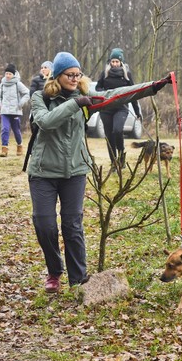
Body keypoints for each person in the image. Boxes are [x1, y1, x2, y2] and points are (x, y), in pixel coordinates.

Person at [28, 51, 172, 293]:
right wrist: (75, 104)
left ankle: (78, 279)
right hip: (43, 171)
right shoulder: (39, 97)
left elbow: (117, 95)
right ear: (57, 75)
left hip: (74, 171)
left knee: (72, 225)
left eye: (78, 74)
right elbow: (46, 122)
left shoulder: (85, 95)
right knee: (45, 225)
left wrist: (155, 85)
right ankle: (54, 272)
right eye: (69, 74)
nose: (74, 79)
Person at [95, 48, 142, 170]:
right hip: (106, 109)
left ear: (121, 62)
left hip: (121, 108)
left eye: (117, 61)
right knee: (109, 136)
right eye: (113, 61)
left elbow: (134, 93)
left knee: (117, 130)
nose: (114, 64)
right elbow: (97, 88)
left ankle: (121, 158)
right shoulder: (105, 73)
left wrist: (137, 112)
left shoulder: (127, 75)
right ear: (110, 61)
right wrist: (105, 93)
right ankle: (114, 164)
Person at [0, 63, 30, 157]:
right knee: (5, 129)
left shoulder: (18, 84)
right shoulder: (2, 84)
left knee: (16, 130)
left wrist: (20, 104)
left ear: (13, 75)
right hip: (4, 111)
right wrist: (0, 104)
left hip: (15, 111)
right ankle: (4, 149)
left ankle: (19, 146)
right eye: (6, 73)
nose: (8, 76)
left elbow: (27, 93)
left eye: (9, 74)